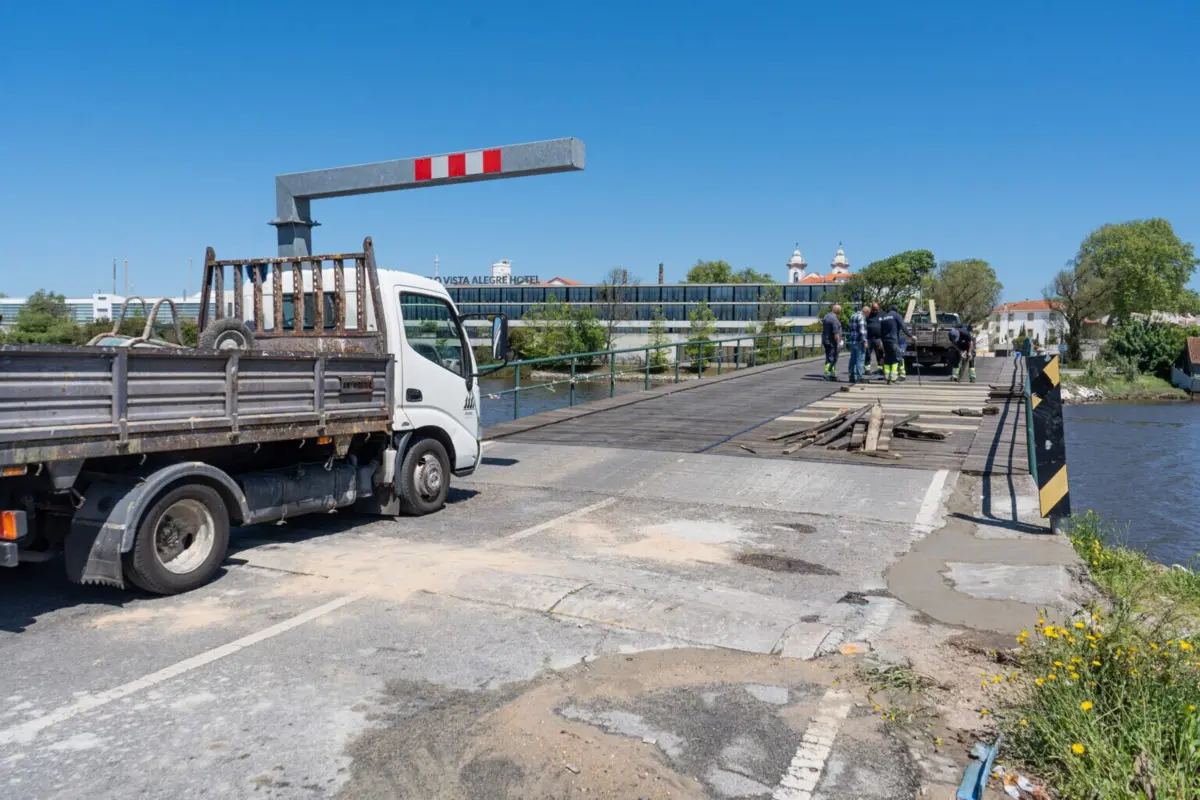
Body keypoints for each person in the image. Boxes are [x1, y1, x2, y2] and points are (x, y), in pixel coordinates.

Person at [879, 304, 914, 385]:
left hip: (885, 341)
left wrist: (882, 342)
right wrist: (911, 336)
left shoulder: (884, 317)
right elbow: (903, 327)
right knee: (895, 359)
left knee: (887, 359)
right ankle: (893, 379)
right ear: (896, 310)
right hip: (893, 341)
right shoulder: (896, 315)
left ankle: (887, 378)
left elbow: (881, 331)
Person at [847, 304, 869, 384]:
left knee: (852, 360)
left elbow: (850, 329)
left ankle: (851, 376)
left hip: (852, 341)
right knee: (860, 360)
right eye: (868, 313)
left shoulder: (852, 316)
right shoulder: (861, 317)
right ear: (866, 312)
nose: (868, 315)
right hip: (859, 342)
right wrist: (865, 341)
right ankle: (860, 377)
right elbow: (862, 331)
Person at [821, 304, 842, 381]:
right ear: (837, 310)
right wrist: (839, 342)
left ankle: (831, 373)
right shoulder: (834, 319)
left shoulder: (826, 316)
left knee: (828, 357)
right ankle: (827, 374)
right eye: (839, 310)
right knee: (832, 358)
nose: (840, 312)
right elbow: (835, 332)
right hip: (832, 342)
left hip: (825, 340)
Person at [865, 303, 884, 376]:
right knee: (867, 354)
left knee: (879, 355)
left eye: (876, 309)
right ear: (871, 309)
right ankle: (867, 370)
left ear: (879, 308)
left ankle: (880, 369)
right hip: (869, 338)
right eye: (874, 309)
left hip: (878, 338)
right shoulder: (868, 315)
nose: (875, 311)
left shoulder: (883, 314)